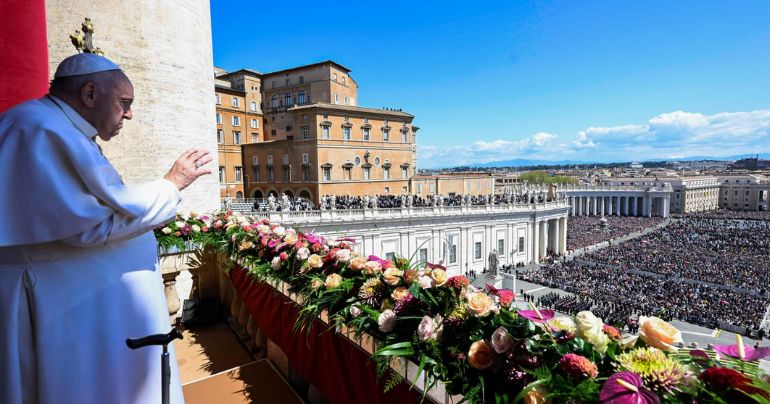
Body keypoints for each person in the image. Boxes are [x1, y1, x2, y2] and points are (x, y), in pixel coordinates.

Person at [0, 53, 210, 404]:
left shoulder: (55, 127)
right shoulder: (39, 129)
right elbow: (89, 227)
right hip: (60, 306)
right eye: (124, 103)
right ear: (90, 93)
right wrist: (171, 185)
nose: (129, 114)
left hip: (75, 301)